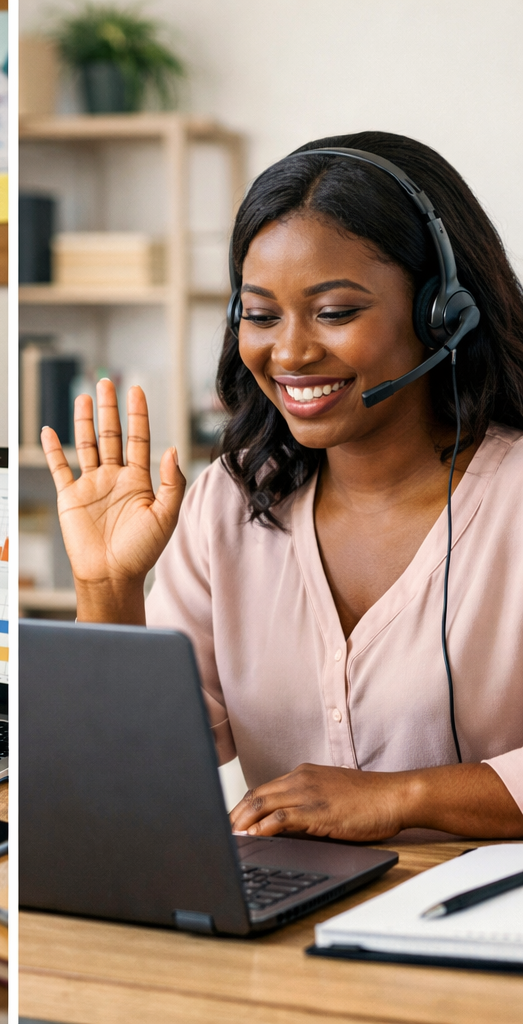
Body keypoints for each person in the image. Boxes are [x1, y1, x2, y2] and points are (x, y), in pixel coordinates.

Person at [42, 131, 523, 843]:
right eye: (261, 315)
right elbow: (129, 775)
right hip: (284, 931)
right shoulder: (227, 507)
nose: (291, 353)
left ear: (441, 315)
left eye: (334, 312)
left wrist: (400, 797)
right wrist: (107, 589)